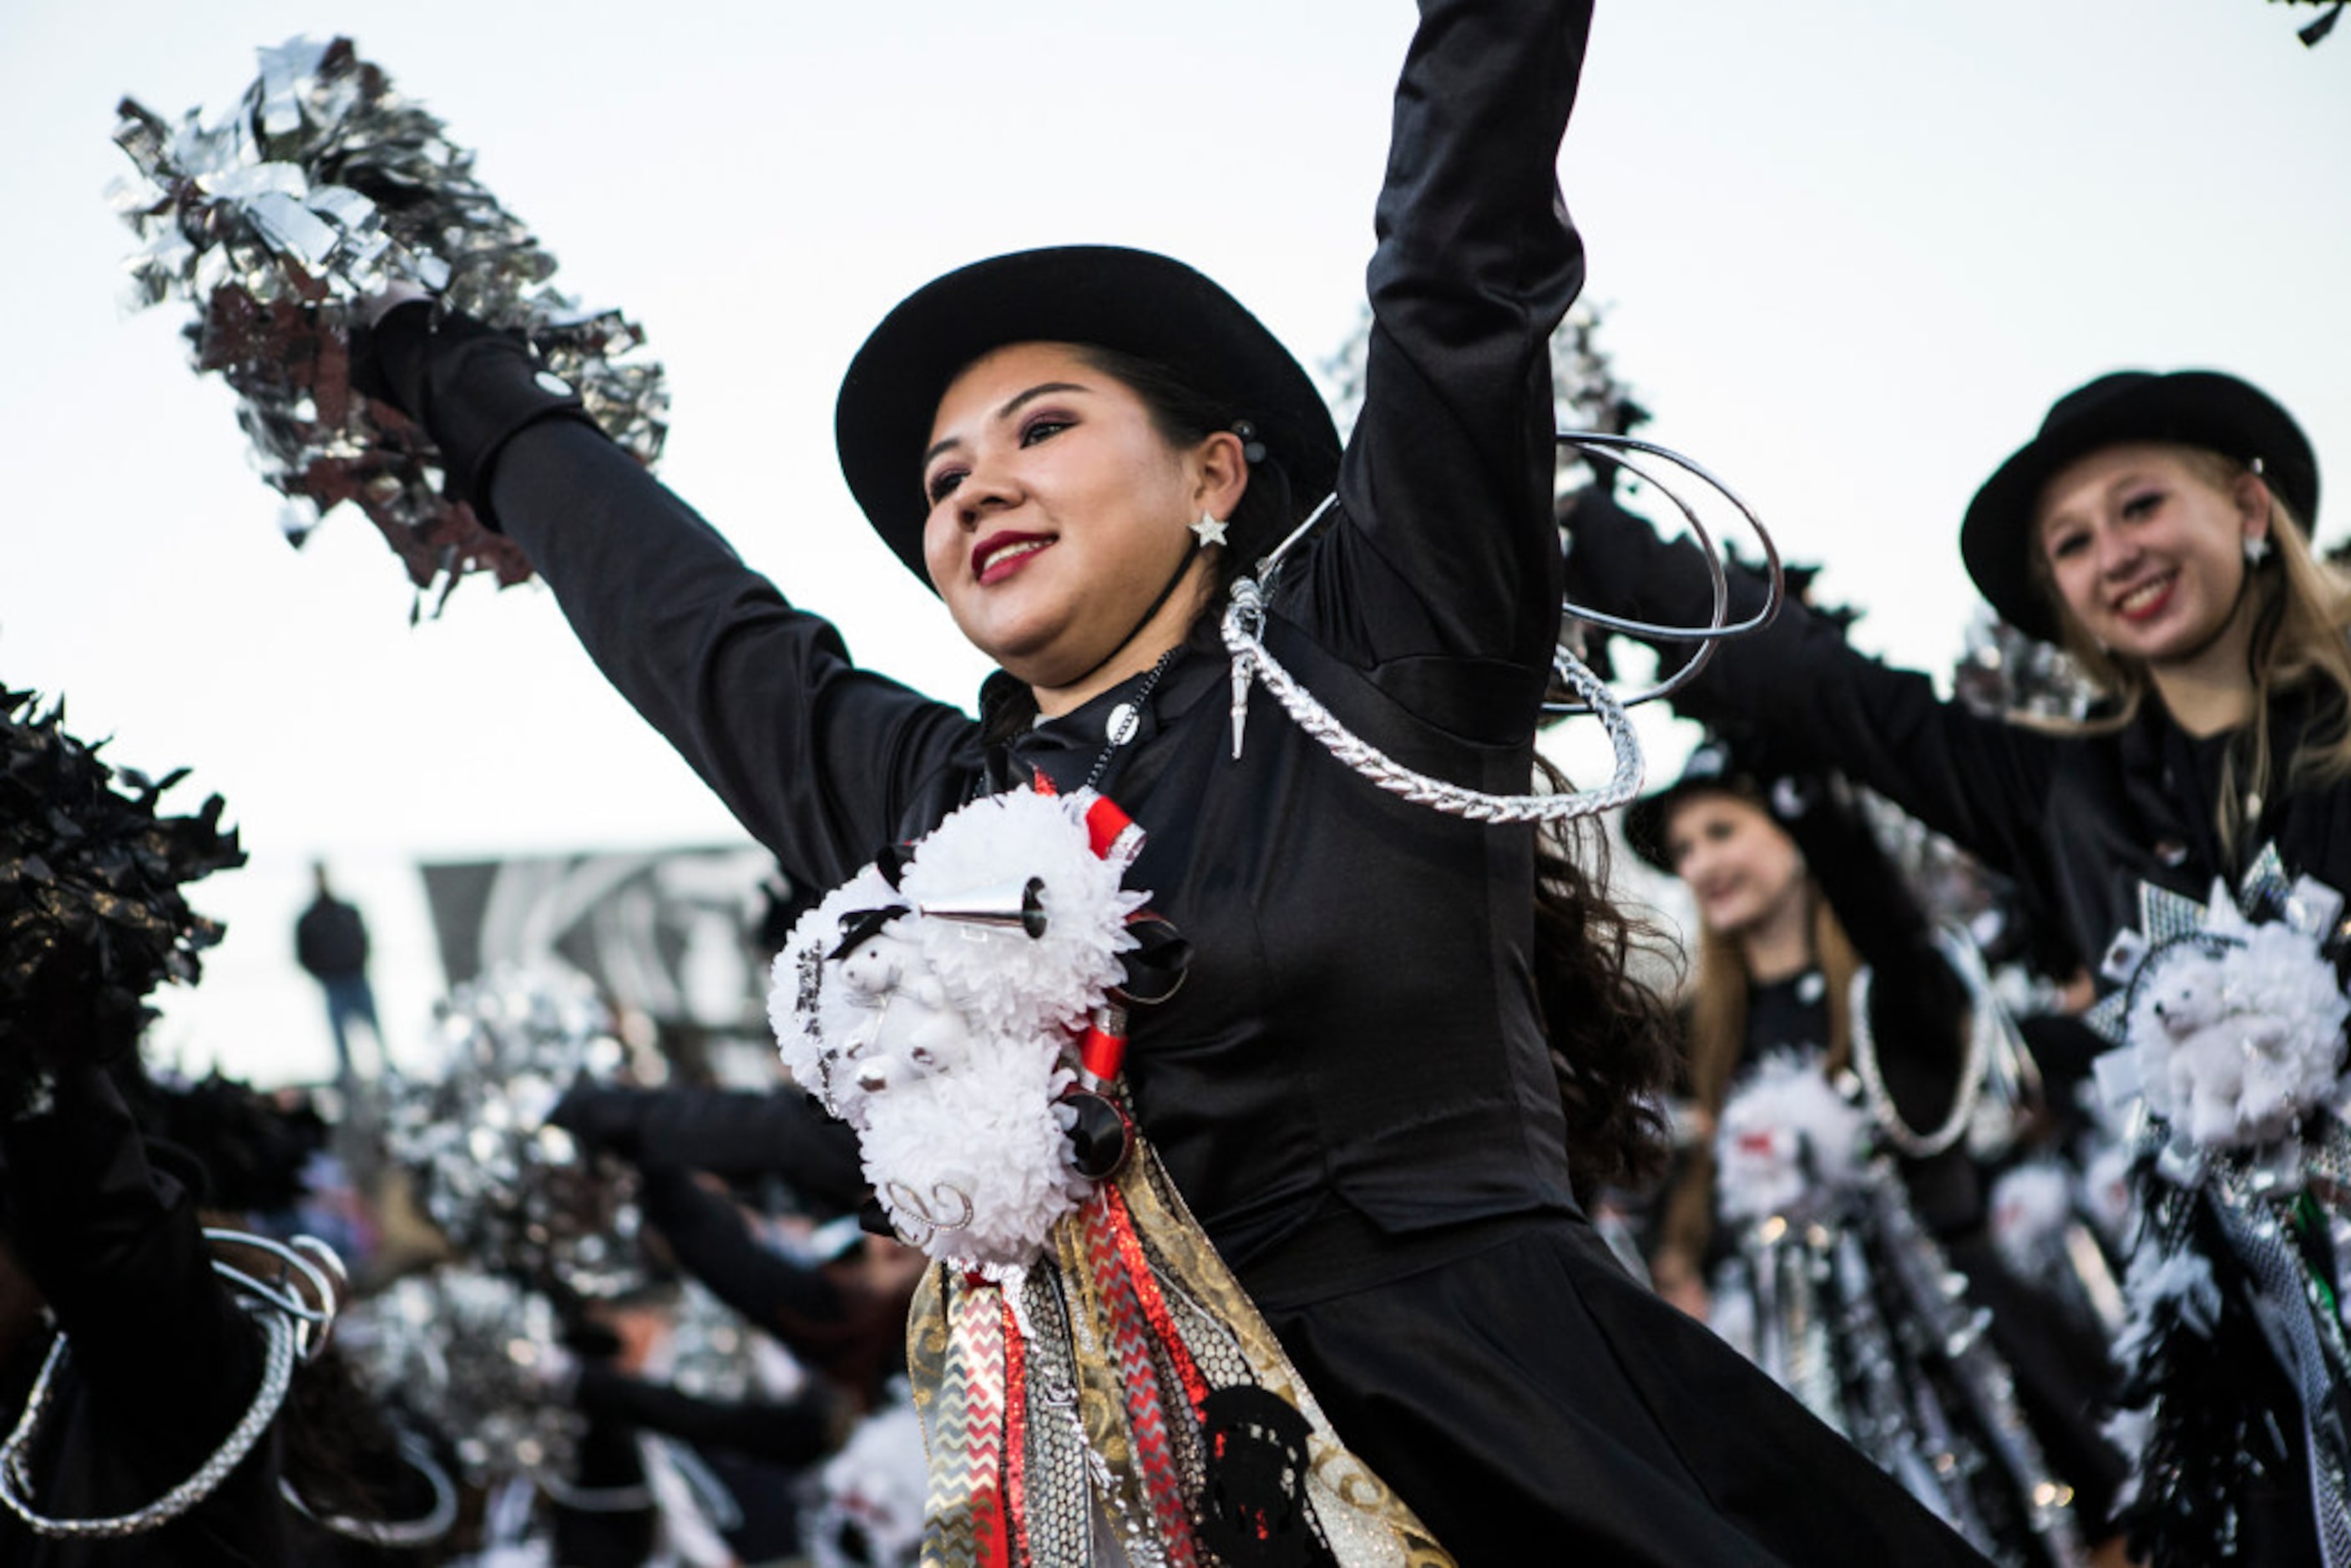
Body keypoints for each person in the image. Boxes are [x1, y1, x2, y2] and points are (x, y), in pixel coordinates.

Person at [350, 3, 1987, 1559]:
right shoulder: (950, 807)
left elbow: (1454, 263)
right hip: (1155, 1506)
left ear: (1216, 472)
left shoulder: (1379, 644)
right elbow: (686, 624)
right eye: (940, 479)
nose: (975, 484)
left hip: (1517, 1444)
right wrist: (424, 355)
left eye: (1041, 427)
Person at [1563, 369, 2349, 1565]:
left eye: (2142, 507)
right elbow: (1831, 697)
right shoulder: (2063, 795)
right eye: (2072, 544)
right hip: (2240, 1374)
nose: (2113, 555)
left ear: (2249, 507)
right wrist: (1580, 517)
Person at [1626, 741, 2129, 1565]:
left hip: (1974, 1349)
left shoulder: (1893, 989)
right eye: (1682, 849)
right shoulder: (1702, 1036)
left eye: (1721, 831)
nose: (1699, 861)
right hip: (1830, 1390)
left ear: (1791, 833)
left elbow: (1886, 918)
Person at [296, 862, 383, 1091]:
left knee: (375, 1029)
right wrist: (324, 974)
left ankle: (385, 1070)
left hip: (356, 977)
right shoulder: (309, 919)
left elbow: (363, 939)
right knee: (340, 1037)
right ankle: (347, 1076)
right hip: (333, 983)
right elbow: (303, 954)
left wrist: (359, 963)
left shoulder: (346, 911)